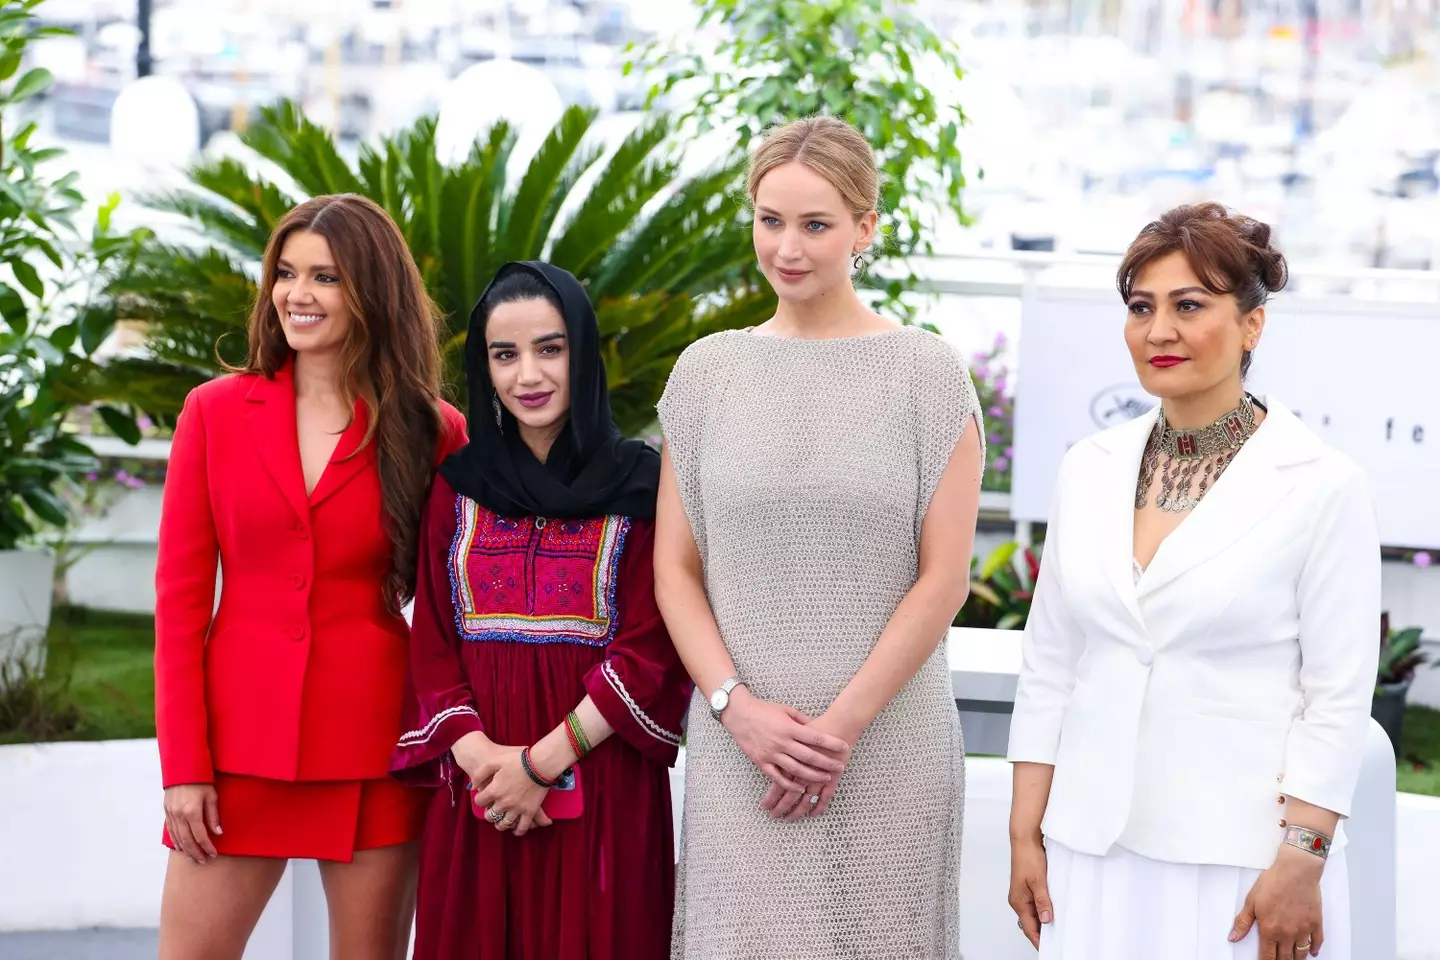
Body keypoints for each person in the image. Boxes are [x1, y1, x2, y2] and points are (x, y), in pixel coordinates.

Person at [1007, 203, 1380, 960]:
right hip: (1088, 850)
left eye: (1190, 305)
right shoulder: (1090, 467)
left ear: (1252, 325)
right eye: (1141, 307)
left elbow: (1336, 696)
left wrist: (1302, 859)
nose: (1159, 331)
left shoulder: (1322, 484)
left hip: (1243, 864)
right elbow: (1051, 664)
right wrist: (1024, 831)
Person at [656, 115, 986, 959]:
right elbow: (676, 572)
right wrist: (739, 712)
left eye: (815, 224)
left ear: (865, 227)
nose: (788, 248)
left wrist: (837, 730)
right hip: (741, 756)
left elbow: (944, 579)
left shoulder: (927, 375)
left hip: (890, 749)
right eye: (771, 221)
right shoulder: (705, 374)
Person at [154, 194, 467, 960]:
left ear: (372, 289)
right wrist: (183, 768)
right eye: (286, 274)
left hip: (376, 749)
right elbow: (179, 606)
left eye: (325, 277)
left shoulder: (431, 429)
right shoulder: (213, 413)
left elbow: (456, 604)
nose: (298, 294)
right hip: (234, 756)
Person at [390, 261, 690, 960]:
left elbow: (650, 650)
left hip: (603, 794)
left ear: (581, 353)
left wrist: (541, 765)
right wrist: (490, 767)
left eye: (549, 349)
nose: (528, 374)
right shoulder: (457, 488)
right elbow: (432, 643)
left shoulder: (646, 487)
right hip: (482, 793)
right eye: (505, 354)